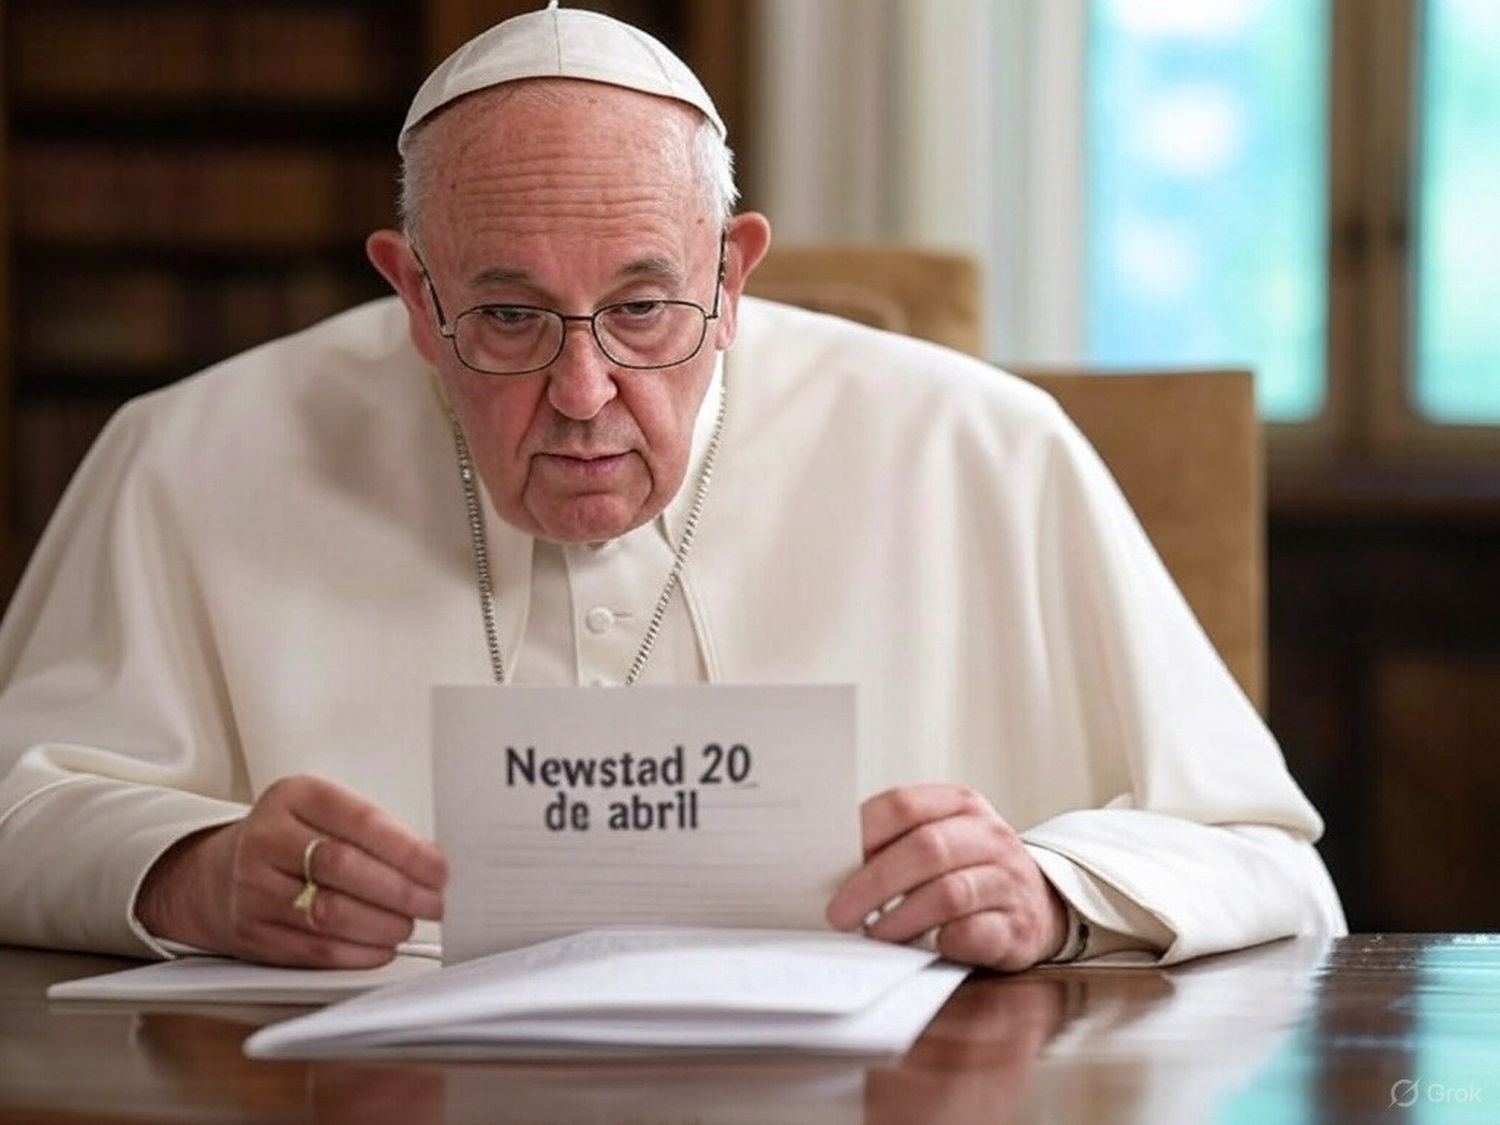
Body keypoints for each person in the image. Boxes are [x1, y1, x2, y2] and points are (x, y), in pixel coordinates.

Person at [0, 4, 1343, 970]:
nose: (584, 392)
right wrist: (188, 873)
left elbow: (1275, 864)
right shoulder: (189, 453)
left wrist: (1048, 893)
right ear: (414, 293)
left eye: (644, 307)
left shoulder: (985, 447)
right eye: (508, 317)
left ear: (733, 274)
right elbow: (20, 806)